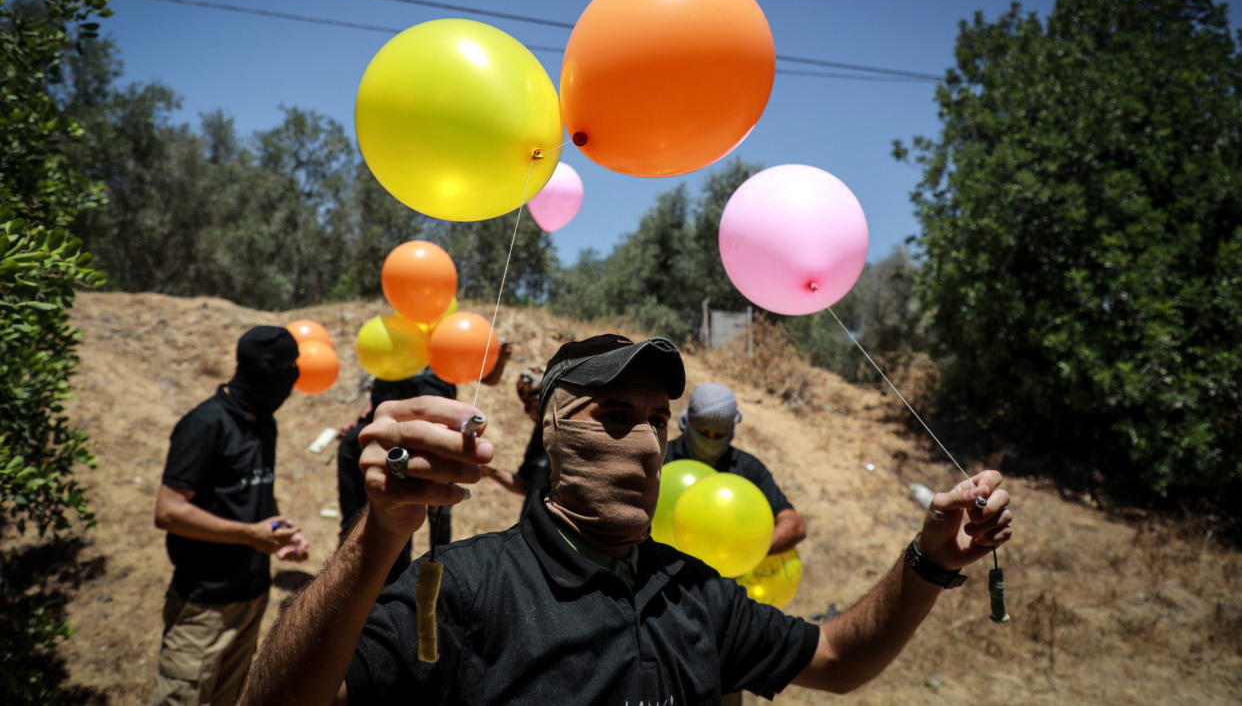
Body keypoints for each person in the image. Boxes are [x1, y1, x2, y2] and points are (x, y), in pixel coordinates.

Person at [239, 334, 1013, 705]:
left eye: (656, 417)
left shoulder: (694, 590)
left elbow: (839, 659)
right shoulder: (463, 589)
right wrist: (380, 534)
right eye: (612, 413)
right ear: (550, 430)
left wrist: (930, 559)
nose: (644, 441)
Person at [152, 325, 310, 706]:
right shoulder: (206, 424)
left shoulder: (264, 423)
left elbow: (255, 490)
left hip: (252, 599)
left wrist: (279, 529)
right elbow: (169, 511)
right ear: (256, 374)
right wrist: (249, 534)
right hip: (204, 607)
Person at [336, 340, 512, 575]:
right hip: (388, 439)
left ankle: (441, 570)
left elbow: (486, 376)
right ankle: (379, 576)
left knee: (439, 508)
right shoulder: (395, 337)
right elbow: (380, 388)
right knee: (388, 505)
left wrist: (499, 358)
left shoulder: (451, 338)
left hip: (438, 437)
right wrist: (361, 422)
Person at [667, 381, 807, 555]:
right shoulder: (662, 459)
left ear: (732, 429)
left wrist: (748, 553)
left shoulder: (749, 469)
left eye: (719, 435)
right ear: (688, 422)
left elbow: (794, 524)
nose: (710, 441)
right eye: (702, 432)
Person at [480, 365, 550, 520]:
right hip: (531, 528)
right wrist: (490, 472)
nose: (529, 412)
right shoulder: (539, 432)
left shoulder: (573, 436)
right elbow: (525, 484)